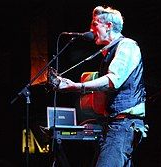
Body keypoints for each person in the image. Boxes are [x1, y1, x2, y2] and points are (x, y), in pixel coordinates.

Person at [54, 5, 148, 167]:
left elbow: (112, 80)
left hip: (123, 126)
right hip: (114, 126)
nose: (90, 29)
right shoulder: (109, 53)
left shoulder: (127, 46)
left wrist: (77, 86)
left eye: (95, 24)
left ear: (109, 26)